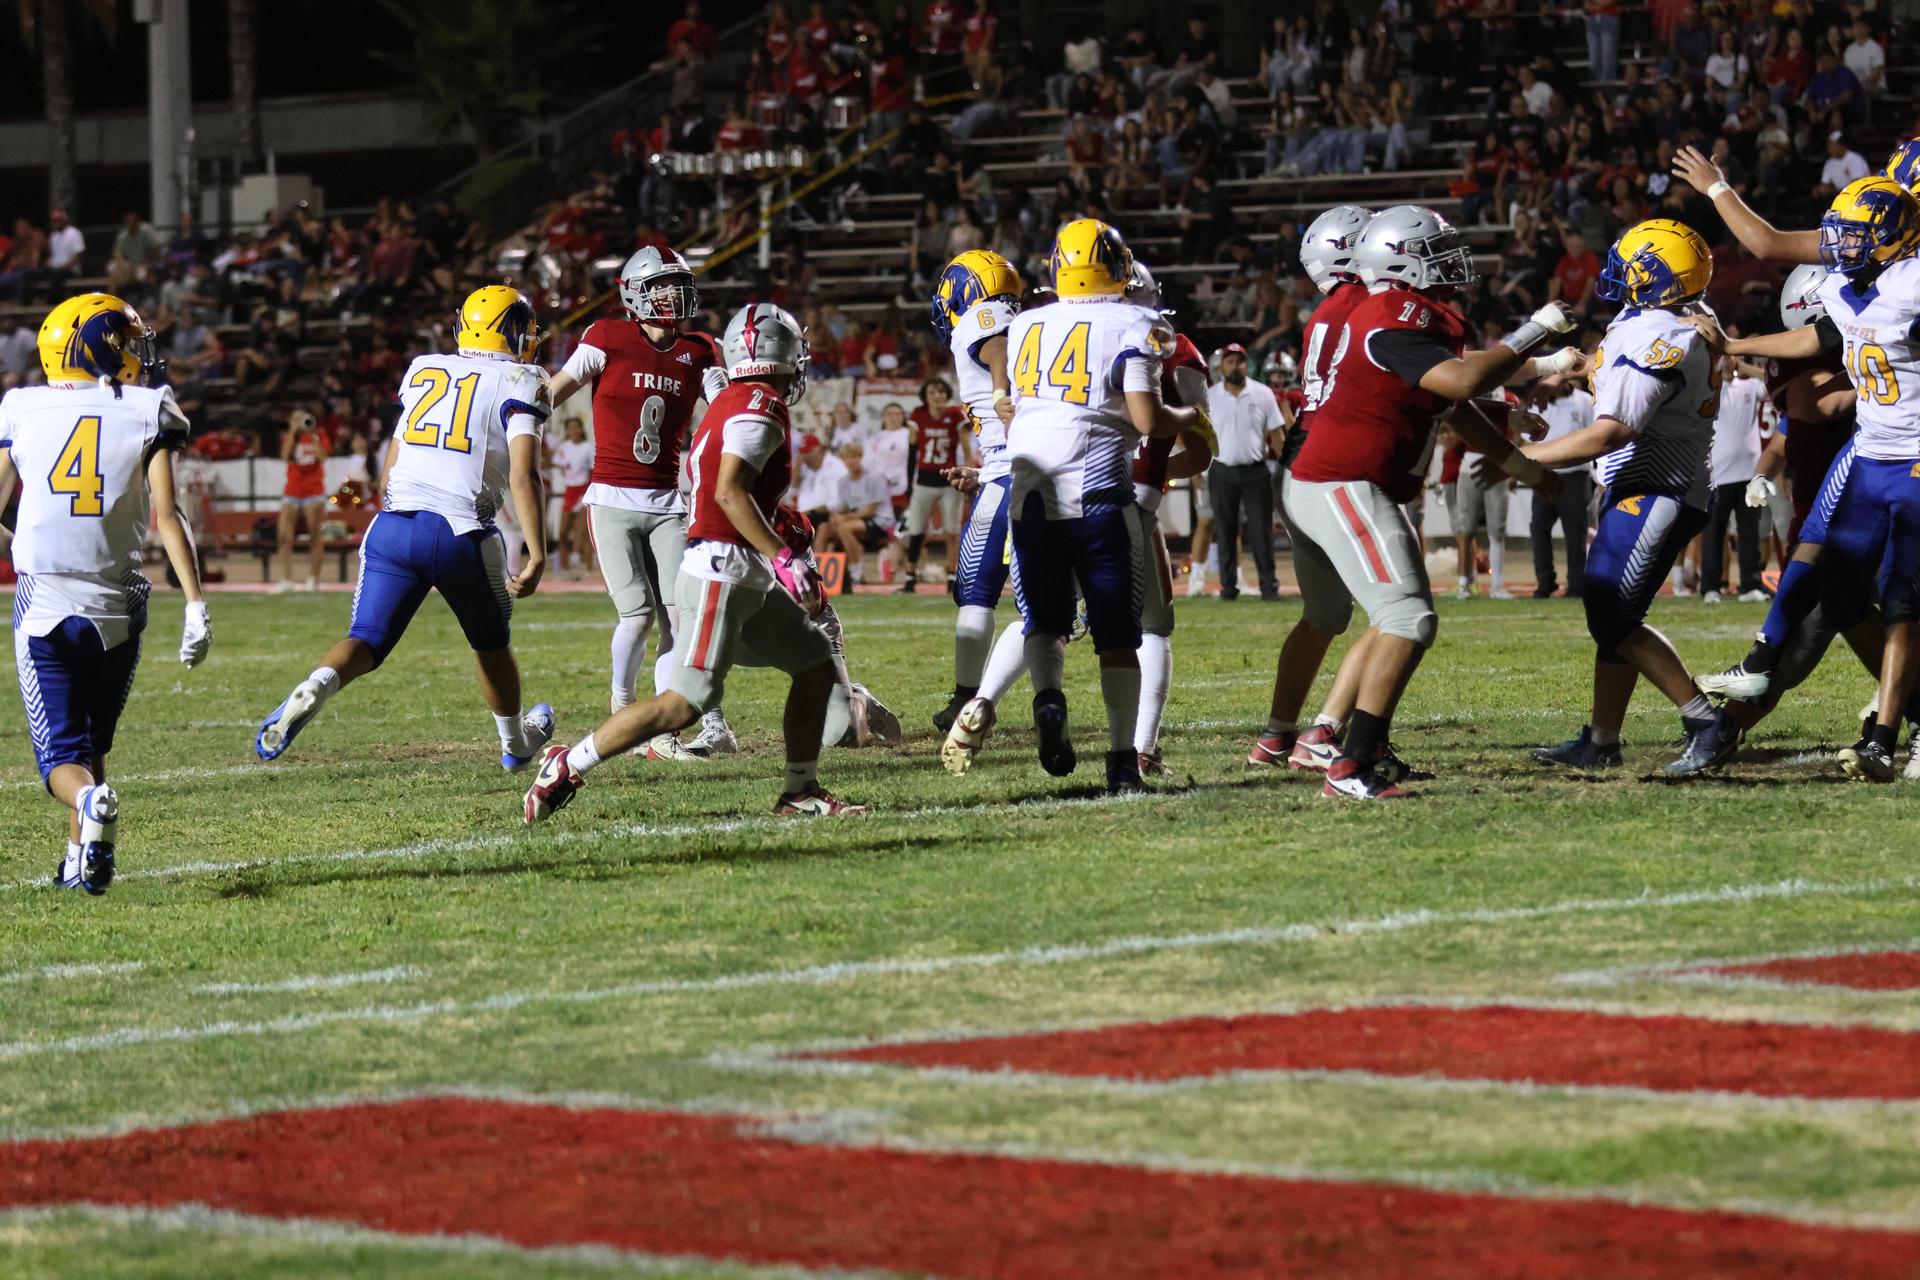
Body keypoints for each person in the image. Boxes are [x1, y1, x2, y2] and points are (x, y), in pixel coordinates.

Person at [522, 302, 868, 822]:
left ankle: (800, 792)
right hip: (722, 572)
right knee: (684, 704)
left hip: (735, 570)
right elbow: (730, 493)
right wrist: (784, 558)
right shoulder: (760, 404)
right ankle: (568, 761)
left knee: (815, 664)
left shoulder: (734, 396)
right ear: (783, 352)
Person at [1287, 205, 1572, 799]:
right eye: (1436, 253)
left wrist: (1518, 463)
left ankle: (1358, 751)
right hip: (1341, 480)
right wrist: (1536, 331)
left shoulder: (1399, 314)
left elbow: (1454, 405)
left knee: (1399, 617)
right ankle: (1347, 763)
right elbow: (1464, 383)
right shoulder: (1391, 312)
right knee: (1405, 618)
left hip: (1350, 481)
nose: (1450, 263)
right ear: (1400, 261)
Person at [254, 285, 556, 772]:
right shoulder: (524, 378)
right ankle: (516, 742)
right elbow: (524, 474)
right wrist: (538, 554)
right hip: (462, 533)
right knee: (490, 643)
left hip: (393, 525)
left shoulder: (425, 367)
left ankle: (318, 683)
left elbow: (393, 459)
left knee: (367, 638)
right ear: (510, 331)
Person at [1696, 179, 1920, 781]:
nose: (1840, 247)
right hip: (1873, 468)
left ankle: (1883, 737)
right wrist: (1735, 344)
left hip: (1913, 464)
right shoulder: (1850, 293)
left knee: (1900, 602)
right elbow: (1818, 335)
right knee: (1843, 604)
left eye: (1854, 236)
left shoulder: (1911, 280)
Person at [1, 293, 212, 893]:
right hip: (121, 602)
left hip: (46, 601)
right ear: (96, 348)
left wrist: (26, 545)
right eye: (124, 342)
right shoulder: (150, 407)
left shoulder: (21, 407)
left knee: (60, 762)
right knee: (92, 740)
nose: (135, 355)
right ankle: (80, 863)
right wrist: (196, 604)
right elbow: (170, 518)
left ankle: (90, 808)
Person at [1000, 219, 1209, 794]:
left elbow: (1022, 407)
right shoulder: (1138, 321)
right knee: (1119, 637)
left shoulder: (1027, 324)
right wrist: (1191, 419)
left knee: (1045, 621)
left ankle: (1048, 698)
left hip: (1030, 491)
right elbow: (1146, 418)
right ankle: (1121, 762)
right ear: (1119, 267)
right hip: (1097, 492)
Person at [1524, 221, 1728, 777]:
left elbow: (1612, 432)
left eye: (1633, 264)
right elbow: (1621, 377)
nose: (1619, 272)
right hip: (1642, 485)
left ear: (1654, 277)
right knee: (1612, 613)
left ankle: (1705, 721)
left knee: (1612, 613)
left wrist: (1523, 459)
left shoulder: (1666, 337)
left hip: (1659, 487)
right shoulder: (1662, 321)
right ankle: (1601, 739)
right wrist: (1578, 371)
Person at [545, 246, 728, 760]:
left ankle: (664, 731)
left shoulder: (699, 348)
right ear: (634, 293)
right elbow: (557, 388)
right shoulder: (606, 335)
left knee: (679, 615)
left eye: (678, 285)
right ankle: (622, 711)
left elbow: (724, 405)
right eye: (661, 286)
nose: (673, 296)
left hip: (668, 500)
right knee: (637, 615)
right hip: (611, 497)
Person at [1248, 205, 1384, 774]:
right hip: (1334, 465)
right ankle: (1335, 734)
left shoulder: (1326, 309)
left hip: (1302, 459)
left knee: (1325, 614)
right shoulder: (1364, 304)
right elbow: (1428, 371)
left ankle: (1277, 735)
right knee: (1394, 612)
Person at [1119, 263, 1213, 776]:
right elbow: (1198, 453)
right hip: (1128, 500)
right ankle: (1142, 747)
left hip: (1054, 496)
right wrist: (1153, 471)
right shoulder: (1169, 345)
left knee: (1041, 623)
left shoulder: (1045, 332)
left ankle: (978, 702)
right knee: (1153, 628)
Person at [928, 249, 1026, 733]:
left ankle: (969, 699)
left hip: (1012, 474)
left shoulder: (983, 317)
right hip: (1016, 468)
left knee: (974, 589)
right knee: (1036, 602)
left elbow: (998, 347)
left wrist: (1004, 395)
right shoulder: (1025, 314)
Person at [1203, 343, 1284, 602]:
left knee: (1261, 532)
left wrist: (1284, 468)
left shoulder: (1262, 393)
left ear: (1246, 365)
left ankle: (1268, 588)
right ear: (1221, 366)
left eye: (1239, 361)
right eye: (1230, 362)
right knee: (1225, 531)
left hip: (1255, 471)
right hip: (1222, 469)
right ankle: (1228, 589)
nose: (1235, 366)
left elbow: (1277, 435)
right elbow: (1200, 434)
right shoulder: (1211, 396)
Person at [1700, 353, 1770, 603]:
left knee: (1749, 533)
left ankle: (1750, 585)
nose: (1730, 361)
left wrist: (1744, 367)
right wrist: (1719, 368)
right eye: (1726, 357)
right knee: (1713, 536)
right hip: (1717, 475)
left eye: (1735, 357)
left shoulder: (1750, 386)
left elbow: (1773, 384)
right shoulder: (1711, 390)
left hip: (1750, 475)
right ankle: (1711, 587)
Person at [1527, 371, 1595, 599]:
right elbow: (1529, 440)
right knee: (1538, 528)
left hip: (1575, 477)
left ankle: (1576, 585)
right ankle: (1545, 582)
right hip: (1543, 473)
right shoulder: (1538, 405)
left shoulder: (1584, 401)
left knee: (1575, 532)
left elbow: (1593, 436)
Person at [899, 375, 968, 590]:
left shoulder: (956, 415)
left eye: (940, 392)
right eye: (932, 392)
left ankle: (951, 576)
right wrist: (910, 484)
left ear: (946, 394)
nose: (937, 396)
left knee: (951, 532)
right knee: (916, 531)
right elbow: (912, 453)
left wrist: (968, 476)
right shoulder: (918, 415)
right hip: (924, 481)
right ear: (925, 397)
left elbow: (967, 450)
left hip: (949, 482)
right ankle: (910, 576)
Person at [275, 408, 333, 593]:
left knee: (314, 535)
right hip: (292, 490)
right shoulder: (291, 437)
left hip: (313, 491)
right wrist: (293, 432)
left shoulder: (319, 435)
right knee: (284, 536)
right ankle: (286, 579)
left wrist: (313, 436)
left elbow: (323, 458)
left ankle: (313, 579)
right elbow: (285, 456)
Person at [549, 417, 595, 580]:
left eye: (576, 427)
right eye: (570, 428)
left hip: (583, 490)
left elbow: (593, 470)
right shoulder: (564, 447)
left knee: (582, 531)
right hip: (570, 490)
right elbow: (557, 462)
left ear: (582, 429)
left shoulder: (588, 447)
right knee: (562, 532)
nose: (573, 431)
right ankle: (565, 569)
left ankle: (587, 568)